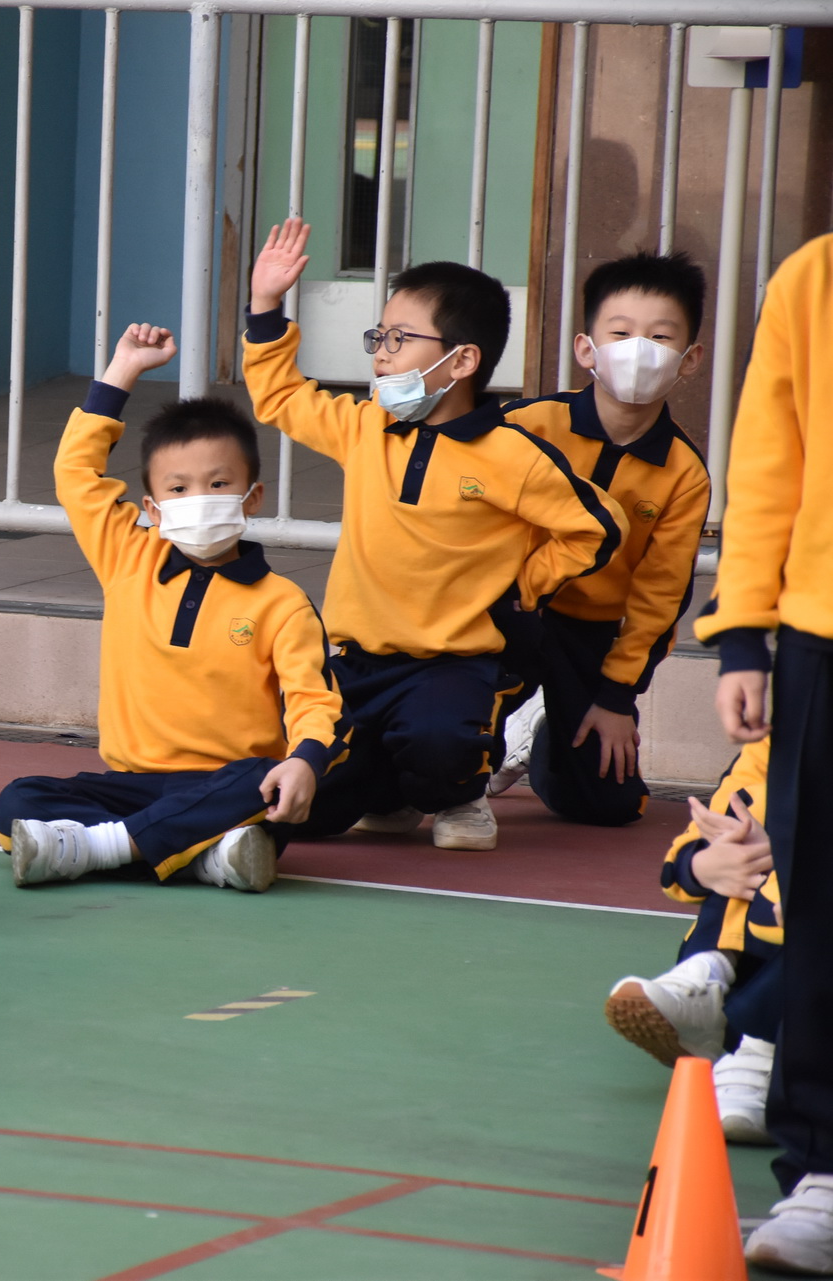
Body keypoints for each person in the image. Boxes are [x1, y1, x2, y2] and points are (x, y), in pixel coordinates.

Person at [242, 218, 623, 851]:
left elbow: (597, 527)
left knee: (440, 743)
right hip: (357, 661)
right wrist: (264, 306)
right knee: (307, 807)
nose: (381, 353)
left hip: (453, 666)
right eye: (379, 336)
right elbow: (280, 396)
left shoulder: (511, 453)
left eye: (399, 338)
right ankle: (389, 793)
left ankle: (459, 792)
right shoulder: (365, 427)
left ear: (463, 360)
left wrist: (525, 585)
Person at [0, 324, 345, 891]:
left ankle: (105, 848)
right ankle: (202, 853)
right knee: (20, 798)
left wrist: (304, 759)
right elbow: (75, 475)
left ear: (252, 497)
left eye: (218, 483)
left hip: (225, 784)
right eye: (178, 489)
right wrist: (123, 370)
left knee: (264, 783)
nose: (198, 499)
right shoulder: (127, 557)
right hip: (130, 781)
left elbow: (315, 700)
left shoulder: (282, 602)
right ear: (153, 509)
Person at [699, 232, 833, 1273]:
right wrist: (743, 631)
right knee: (821, 905)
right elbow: (767, 462)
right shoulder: (815, 277)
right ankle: (824, 1169)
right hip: (824, 632)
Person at [492, 252, 711, 826]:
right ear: (586, 349)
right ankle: (486, 735)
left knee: (611, 804)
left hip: (591, 632)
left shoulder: (684, 473)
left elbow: (662, 595)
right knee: (451, 748)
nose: (639, 349)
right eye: (621, 333)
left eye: (660, 337)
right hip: (507, 610)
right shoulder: (524, 425)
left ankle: (541, 739)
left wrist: (617, 696)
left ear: (689, 359)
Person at [605, 740, 778, 1144]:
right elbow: (707, 826)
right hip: (761, 952)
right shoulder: (780, 737)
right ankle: (711, 977)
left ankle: (763, 1046)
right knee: (746, 836)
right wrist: (702, 865)